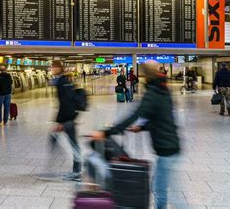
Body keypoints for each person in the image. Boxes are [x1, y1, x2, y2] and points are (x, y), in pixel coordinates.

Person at [92, 61, 180, 209]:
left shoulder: (153, 92)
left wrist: (106, 132)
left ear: (145, 75)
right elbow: (161, 116)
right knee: (159, 187)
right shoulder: (163, 89)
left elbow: (135, 114)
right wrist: (141, 127)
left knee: (163, 191)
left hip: (167, 148)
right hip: (168, 146)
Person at [51, 60, 81, 182]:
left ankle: (77, 172)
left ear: (59, 68)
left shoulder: (62, 82)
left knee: (74, 145)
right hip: (69, 117)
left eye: (53, 67)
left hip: (68, 118)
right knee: (73, 144)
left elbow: (65, 103)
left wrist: (61, 122)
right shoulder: (64, 81)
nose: (52, 69)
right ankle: (76, 171)